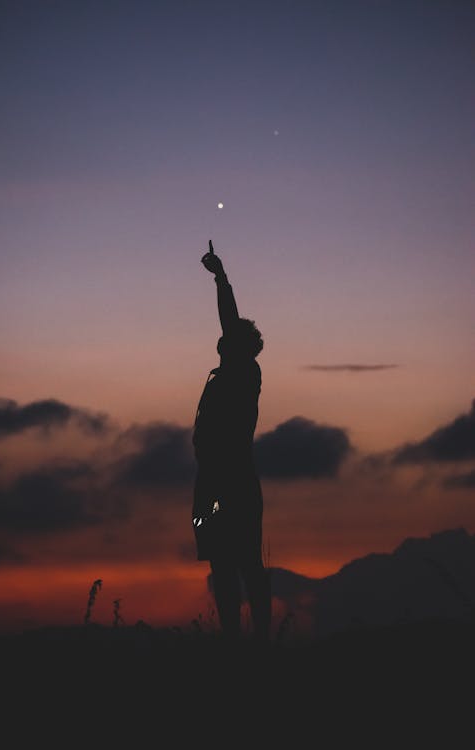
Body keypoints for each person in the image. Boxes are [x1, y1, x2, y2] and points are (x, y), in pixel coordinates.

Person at [192, 240, 271, 646]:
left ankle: (256, 641)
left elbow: (229, 318)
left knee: (242, 563)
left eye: (231, 338)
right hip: (213, 483)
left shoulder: (244, 373)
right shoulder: (227, 375)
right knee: (223, 564)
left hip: (232, 483)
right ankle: (235, 641)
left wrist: (221, 278)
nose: (221, 340)